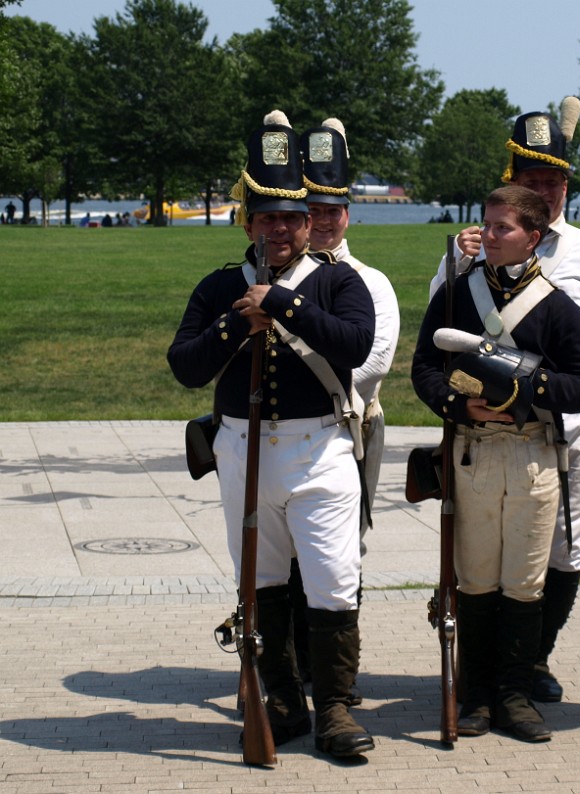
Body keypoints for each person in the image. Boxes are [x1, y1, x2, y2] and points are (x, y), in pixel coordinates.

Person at [167, 110, 377, 761]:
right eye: (266, 218)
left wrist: (281, 305)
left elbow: (355, 343)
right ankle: (282, 704)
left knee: (333, 578)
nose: (279, 230)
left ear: (309, 222)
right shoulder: (218, 287)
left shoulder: (340, 282)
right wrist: (241, 323)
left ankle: (335, 708)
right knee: (261, 584)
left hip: (320, 451)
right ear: (249, 222)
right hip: (243, 451)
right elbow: (185, 365)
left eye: (290, 218)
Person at [428, 97, 580, 705]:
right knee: (484, 560)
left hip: (568, 420)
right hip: (485, 431)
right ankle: (490, 677)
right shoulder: (472, 248)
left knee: (561, 547)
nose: (548, 187)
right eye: (534, 179)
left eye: (555, 179)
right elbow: (440, 329)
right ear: (513, 182)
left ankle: (531, 661)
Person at [412, 185, 580, 743]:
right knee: (475, 580)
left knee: (523, 581)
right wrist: (454, 402)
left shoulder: (558, 305)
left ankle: (514, 696)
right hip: (473, 451)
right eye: (486, 226)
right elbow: (424, 368)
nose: (488, 236)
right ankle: (476, 695)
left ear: (532, 237)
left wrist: (523, 383)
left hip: (533, 453)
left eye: (502, 228)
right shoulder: (453, 296)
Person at [287, 116, 400, 688]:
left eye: (332, 210)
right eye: (311, 210)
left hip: (353, 429)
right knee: (282, 552)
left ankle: (331, 669)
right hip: (289, 431)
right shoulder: (277, 275)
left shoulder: (372, 281)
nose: (322, 220)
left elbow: (372, 361)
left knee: (341, 548)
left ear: (347, 214)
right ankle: (288, 660)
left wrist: (316, 397)